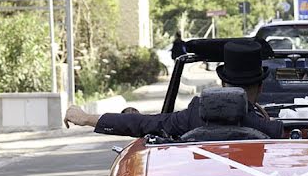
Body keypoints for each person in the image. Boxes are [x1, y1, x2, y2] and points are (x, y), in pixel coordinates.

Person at [64, 39, 283, 139]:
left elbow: (142, 124)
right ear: (261, 87)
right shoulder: (271, 130)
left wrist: (85, 118)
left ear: (223, 84)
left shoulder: (192, 116)